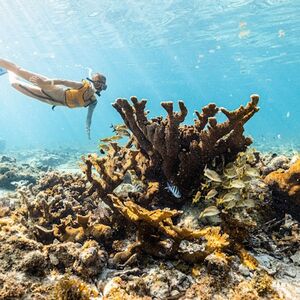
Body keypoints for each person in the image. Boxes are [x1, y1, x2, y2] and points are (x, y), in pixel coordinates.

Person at [0, 58, 107, 139]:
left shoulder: (93, 102)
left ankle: (8, 71)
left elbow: (89, 118)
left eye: (103, 87)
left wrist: (88, 129)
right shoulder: (82, 86)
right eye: (98, 84)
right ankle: (8, 66)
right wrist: (45, 82)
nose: (100, 88)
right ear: (92, 81)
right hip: (52, 88)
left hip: (50, 100)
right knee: (19, 70)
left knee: (14, 84)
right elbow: (63, 81)